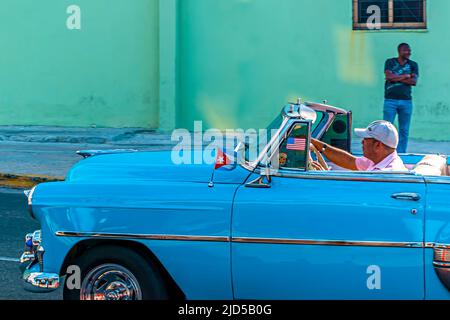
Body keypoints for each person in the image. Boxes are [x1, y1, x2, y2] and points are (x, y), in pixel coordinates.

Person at [311, 120, 408, 172]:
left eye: (365, 139)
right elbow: (349, 160)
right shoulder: (379, 160)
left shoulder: (386, 172)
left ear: (378, 145)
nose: (362, 142)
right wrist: (315, 143)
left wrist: (323, 174)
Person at [384, 43, 419, 153]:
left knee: (404, 130)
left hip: (406, 101)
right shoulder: (390, 62)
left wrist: (395, 78)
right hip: (390, 101)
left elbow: (413, 81)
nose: (409, 52)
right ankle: (386, 153)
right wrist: (405, 76)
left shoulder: (413, 65)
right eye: (406, 50)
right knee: (386, 129)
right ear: (399, 51)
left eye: (409, 50)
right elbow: (388, 77)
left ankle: (401, 153)